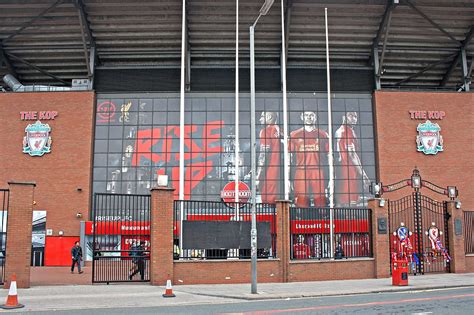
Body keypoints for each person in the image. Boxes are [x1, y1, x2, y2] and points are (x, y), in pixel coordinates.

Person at [289, 111, 329, 207]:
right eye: (306, 115)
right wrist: (288, 178)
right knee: (301, 201)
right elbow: (288, 157)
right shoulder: (294, 134)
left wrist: (331, 177)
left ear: (315, 117)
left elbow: (329, 156)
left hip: (317, 170)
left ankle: (322, 220)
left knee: (320, 201)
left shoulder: (323, 134)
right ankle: (302, 220)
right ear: (302, 117)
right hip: (301, 171)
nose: (309, 117)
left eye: (311, 115)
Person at [335, 111, 370, 206]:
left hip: (345, 168)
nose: (354, 118)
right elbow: (352, 154)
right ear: (344, 117)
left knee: (346, 200)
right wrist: (363, 174)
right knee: (349, 202)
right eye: (350, 115)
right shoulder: (346, 132)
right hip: (347, 168)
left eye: (355, 116)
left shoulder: (345, 130)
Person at [256, 111, 281, 203]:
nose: (260, 119)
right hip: (278, 171)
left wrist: (258, 175)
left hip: (269, 172)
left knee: (267, 204)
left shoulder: (266, 131)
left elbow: (264, 153)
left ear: (269, 117)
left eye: (262, 116)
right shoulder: (280, 130)